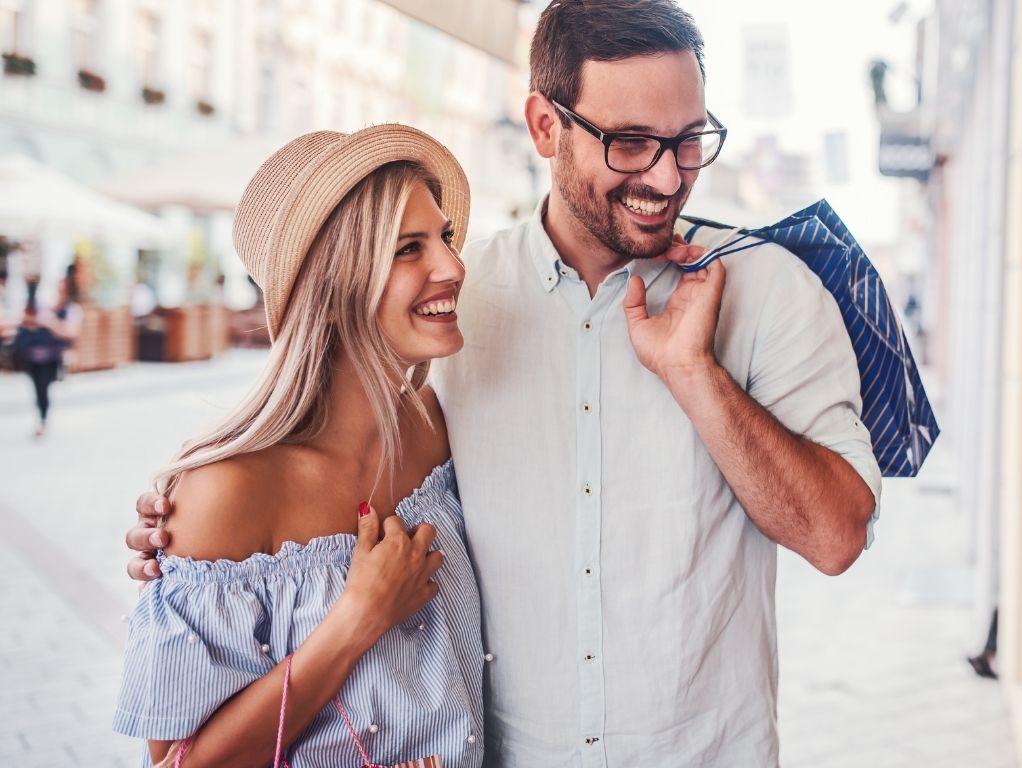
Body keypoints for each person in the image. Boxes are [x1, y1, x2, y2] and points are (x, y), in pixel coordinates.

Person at [128, 2, 882, 764]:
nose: (666, 173)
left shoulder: (768, 289)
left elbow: (836, 538)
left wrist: (695, 374)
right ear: (545, 126)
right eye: (629, 143)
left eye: (688, 141)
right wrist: (188, 537)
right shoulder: (461, 310)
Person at [113, 126, 487, 767]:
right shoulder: (227, 490)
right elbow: (177, 762)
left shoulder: (435, 429)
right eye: (408, 249)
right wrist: (357, 619)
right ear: (336, 284)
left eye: (445, 238)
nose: (453, 267)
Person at [12, 298, 76, 436]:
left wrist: (49, 323)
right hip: (32, 360)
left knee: (43, 388)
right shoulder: (29, 312)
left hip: (49, 359)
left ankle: (43, 419)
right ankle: (43, 419)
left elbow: (68, 333)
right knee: (40, 390)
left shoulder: (60, 313)